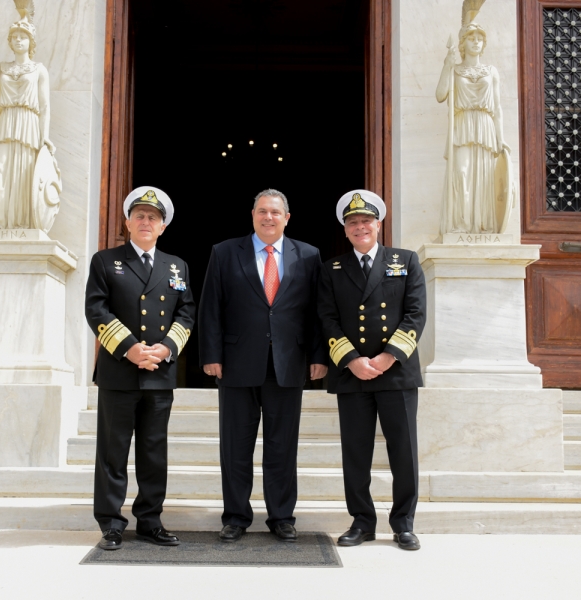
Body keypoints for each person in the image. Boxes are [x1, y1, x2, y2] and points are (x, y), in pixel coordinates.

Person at [198, 189, 328, 543]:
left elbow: (317, 312)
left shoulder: (309, 255)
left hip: (288, 364)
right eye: (261, 211)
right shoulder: (225, 252)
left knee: (282, 446)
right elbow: (211, 306)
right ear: (252, 215)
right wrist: (211, 355)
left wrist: (318, 356)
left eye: (275, 212)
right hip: (236, 364)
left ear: (287, 217)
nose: (268, 217)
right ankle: (236, 516)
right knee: (235, 446)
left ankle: (282, 516)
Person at [85, 186, 195, 550]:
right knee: (113, 451)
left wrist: (166, 348)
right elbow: (96, 309)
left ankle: (150, 520)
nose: (146, 222)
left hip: (159, 373)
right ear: (127, 221)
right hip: (120, 370)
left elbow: (186, 312)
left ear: (163, 226)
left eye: (153, 217)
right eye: (140, 215)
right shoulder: (105, 260)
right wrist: (131, 349)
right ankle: (112, 523)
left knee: (153, 451)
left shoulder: (176, 266)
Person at [317, 190, 426, 551]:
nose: (359, 227)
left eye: (365, 221)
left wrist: (387, 358)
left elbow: (415, 314)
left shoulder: (405, 260)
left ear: (378, 224)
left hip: (395, 372)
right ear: (345, 230)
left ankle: (404, 523)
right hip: (352, 374)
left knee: (404, 451)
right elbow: (327, 319)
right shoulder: (332, 269)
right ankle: (362, 521)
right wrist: (352, 360)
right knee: (356, 452)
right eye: (352, 223)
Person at [0, 6, 56, 229]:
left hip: (28, 124)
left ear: (31, 42)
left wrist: (45, 137)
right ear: (10, 43)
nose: (19, 40)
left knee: (24, 177)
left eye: (23, 37)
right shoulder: (1, 68)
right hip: (5, 123)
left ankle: (22, 223)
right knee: (0, 172)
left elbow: (44, 107)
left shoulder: (39, 70)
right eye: (14, 37)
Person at [434, 19, 511, 234]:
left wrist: (500, 137)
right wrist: (447, 66)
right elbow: (440, 95)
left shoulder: (491, 71)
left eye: (480, 39)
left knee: (484, 178)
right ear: (462, 43)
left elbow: (497, 108)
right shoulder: (455, 70)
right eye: (471, 38)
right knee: (461, 172)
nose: (476, 42)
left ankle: (482, 226)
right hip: (463, 123)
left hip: (485, 126)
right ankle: (461, 224)